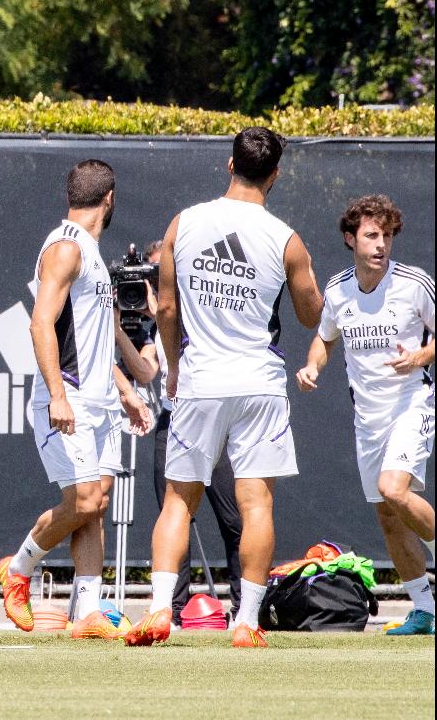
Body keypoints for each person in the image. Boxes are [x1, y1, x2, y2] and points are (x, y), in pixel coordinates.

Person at [126, 127, 323, 648]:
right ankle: (246, 622)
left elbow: (165, 308)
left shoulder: (184, 223)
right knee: (256, 504)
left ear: (229, 163)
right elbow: (310, 315)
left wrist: (172, 366)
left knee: (176, 502)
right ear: (275, 175)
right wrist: (311, 284)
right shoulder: (286, 238)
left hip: (200, 379)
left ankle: (159, 612)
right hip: (258, 382)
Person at [0, 160, 152, 641]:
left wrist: (126, 391)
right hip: (67, 399)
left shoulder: (92, 252)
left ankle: (86, 612)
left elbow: (95, 337)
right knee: (82, 499)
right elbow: (40, 323)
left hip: (102, 401)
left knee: (96, 505)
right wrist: (58, 396)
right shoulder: (65, 248)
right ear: (109, 199)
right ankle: (17, 569)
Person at [296, 195, 435, 636]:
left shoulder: (414, 284)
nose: (381, 245)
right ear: (350, 238)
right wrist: (312, 366)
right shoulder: (337, 291)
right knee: (388, 516)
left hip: (413, 404)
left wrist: (419, 357)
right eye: (372, 235)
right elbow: (325, 338)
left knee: (392, 490)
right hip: (367, 420)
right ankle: (425, 610)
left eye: (387, 236)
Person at [141, 240, 244, 624]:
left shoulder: (202, 307)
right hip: (173, 420)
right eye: (152, 276)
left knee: (234, 519)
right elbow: (147, 371)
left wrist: (167, 311)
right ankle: (171, 610)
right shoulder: (152, 320)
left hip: (212, 418)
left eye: (162, 274)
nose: (157, 283)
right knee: (174, 514)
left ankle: (247, 609)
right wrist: (123, 330)